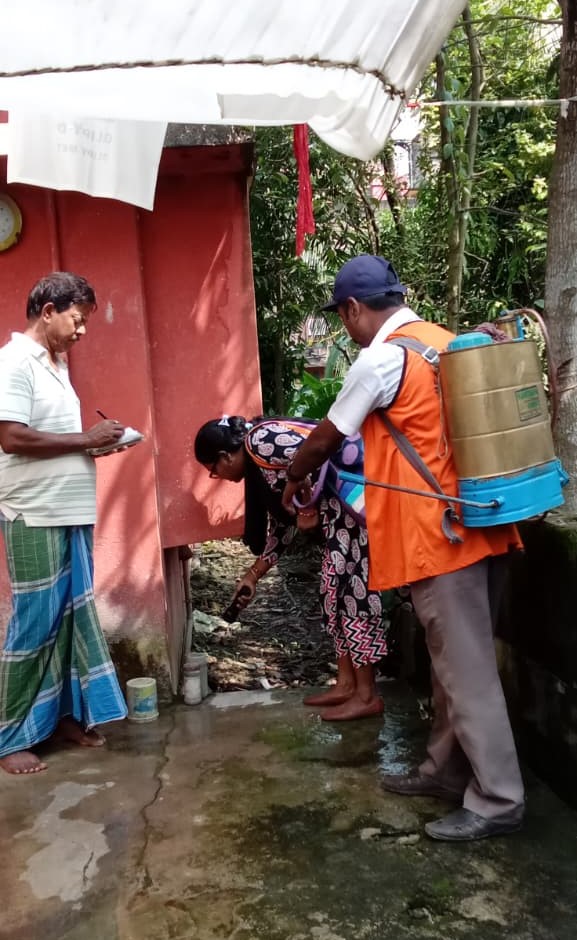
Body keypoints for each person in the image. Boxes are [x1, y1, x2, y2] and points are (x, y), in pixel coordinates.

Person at [281, 254, 525, 842]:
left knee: (468, 677)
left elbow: (325, 439)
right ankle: (445, 771)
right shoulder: (442, 341)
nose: (345, 328)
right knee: (452, 670)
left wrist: (292, 476)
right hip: (482, 526)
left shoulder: (381, 360)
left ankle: (499, 800)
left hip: (441, 540)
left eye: (342, 317)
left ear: (353, 309)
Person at [0, 272, 129, 775]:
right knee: (34, 624)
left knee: (69, 621)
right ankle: (9, 737)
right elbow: (12, 437)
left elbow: (54, 439)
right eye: (77, 319)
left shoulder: (55, 366)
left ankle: (61, 720)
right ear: (48, 310)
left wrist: (94, 445)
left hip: (68, 510)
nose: (82, 331)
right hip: (34, 513)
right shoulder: (14, 362)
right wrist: (85, 440)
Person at [194, 415, 389, 720]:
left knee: (353, 599)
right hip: (340, 521)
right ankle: (347, 684)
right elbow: (283, 529)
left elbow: (315, 452)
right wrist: (252, 576)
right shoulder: (260, 468)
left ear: (225, 456)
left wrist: (307, 504)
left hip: (354, 517)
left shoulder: (260, 440)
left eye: (213, 470)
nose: (217, 476)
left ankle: (366, 695)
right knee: (333, 597)